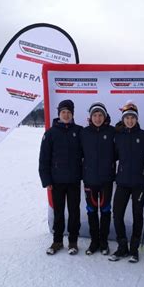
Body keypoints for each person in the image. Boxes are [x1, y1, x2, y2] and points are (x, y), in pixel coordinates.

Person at [39, 99, 83, 255]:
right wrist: (47, 180)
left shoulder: (79, 131)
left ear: (72, 114)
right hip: (56, 182)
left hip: (73, 181)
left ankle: (73, 242)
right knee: (58, 213)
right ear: (59, 114)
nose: (66, 115)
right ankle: (57, 241)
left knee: (74, 213)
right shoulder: (50, 133)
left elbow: (88, 155)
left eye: (69, 112)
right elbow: (44, 159)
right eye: (63, 112)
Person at [109, 101, 144, 263]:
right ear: (123, 119)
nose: (130, 120)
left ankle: (134, 249)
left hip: (140, 183)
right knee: (117, 214)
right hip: (122, 182)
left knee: (137, 216)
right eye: (127, 118)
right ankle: (122, 246)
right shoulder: (118, 136)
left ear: (137, 118)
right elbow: (112, 156)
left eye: (133, 117)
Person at [80, 102, 116, 256]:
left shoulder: (113, 131)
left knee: (106, 211)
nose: (98, 118)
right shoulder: (84, 132)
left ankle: (103, 242)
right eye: (95, 115)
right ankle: (94, 241)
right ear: (90, 117)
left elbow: (120, 152)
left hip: (107, 180)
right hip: (89, 180)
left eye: (100, 115)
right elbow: (78, 154)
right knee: (91, 211)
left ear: (105, 116)